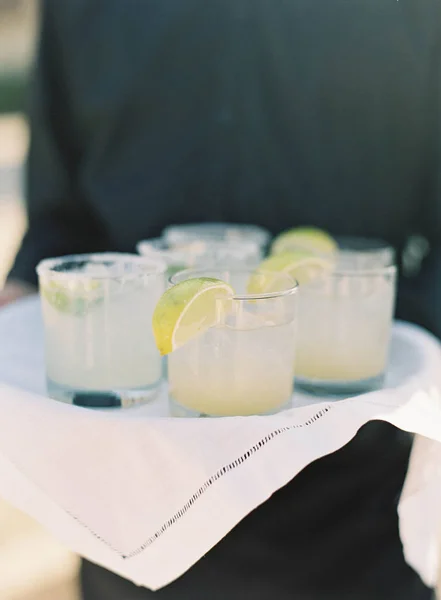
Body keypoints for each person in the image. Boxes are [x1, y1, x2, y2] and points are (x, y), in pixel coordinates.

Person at [1, 0, 439, 598]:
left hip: (354, 495)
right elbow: (60, 214)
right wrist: (23, 302)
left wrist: (395, 351)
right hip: (136, 485)